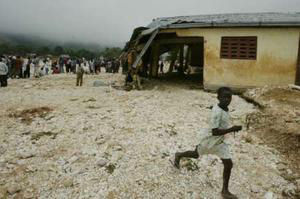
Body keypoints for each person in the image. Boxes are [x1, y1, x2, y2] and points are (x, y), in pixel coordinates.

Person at [173, 87, 242, 199]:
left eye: (229, 97)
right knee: (195, 155)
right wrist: (232, 129)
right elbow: (215, 132)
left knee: (228, 164)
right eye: (224, 97)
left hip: (219, 143)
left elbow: (215, 109)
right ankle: (179, 155)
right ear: (218, 98)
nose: (227, 99)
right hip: (209, 140)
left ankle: (225, 191)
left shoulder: (223, 107)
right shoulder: (217, 112)